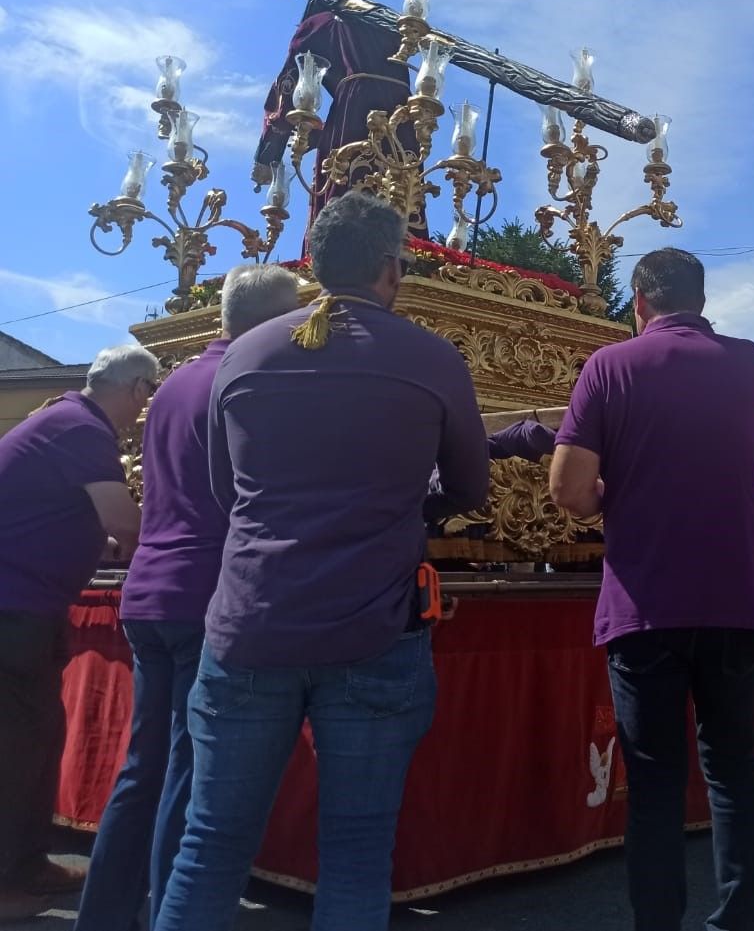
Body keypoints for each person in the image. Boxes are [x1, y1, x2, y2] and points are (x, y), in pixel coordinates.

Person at [153, 193, 490, 931]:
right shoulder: (431, 357)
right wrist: (409, 503)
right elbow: (471, 485)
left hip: (250, 625)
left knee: (210, 844)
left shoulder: (244, 354)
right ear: (390, 267)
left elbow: (225, 490)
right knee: (357, 851)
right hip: (373, 631)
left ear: (313, 266)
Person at [551, 247, 754, 931]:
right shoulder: (750, 362)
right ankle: (735, 920)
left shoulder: (610, 365)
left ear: (638, 303)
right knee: (733, 771)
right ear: (701, 301)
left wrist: (617, 490)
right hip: (734, 597)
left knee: (653, 782)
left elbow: (569, 488)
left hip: (645, 602)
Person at [77, 266, 301, 931]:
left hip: (150, 588)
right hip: (206, 593)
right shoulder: (251, 381)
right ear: (272, 322)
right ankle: (170, 915)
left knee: (144, 768)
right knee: (189, 768)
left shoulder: (171, 384)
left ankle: (104, 914)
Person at [0, 345, 154, 919]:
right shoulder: (83, 431)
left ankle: (26, 861)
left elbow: (86, 521)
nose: (143, 411)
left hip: (24, 608)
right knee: (15, 746)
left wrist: (102, 543)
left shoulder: (63, 418)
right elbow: (123, 521)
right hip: (13, 610)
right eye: (147, 397)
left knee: (37, 736)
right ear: (137, 389)